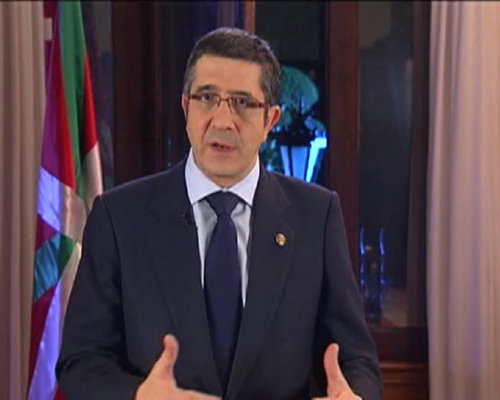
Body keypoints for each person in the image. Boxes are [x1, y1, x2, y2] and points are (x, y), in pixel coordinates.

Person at [56, 27, 382, 400]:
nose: (223, 121)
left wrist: (355, 396)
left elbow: (358, 362)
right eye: (207, 98)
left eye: (242, 102)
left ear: (270, 120)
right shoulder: (119, 217)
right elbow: (80, 363)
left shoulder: (317, 216)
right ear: (186, 107)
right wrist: (139, 396)